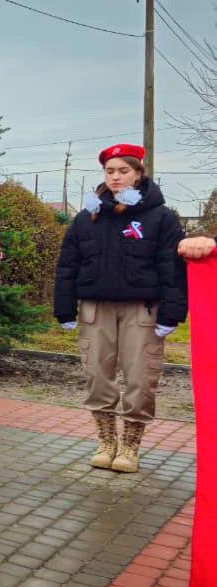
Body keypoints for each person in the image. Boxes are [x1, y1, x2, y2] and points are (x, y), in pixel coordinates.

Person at [54, 143, 186, 473]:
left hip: (141, 310)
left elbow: (171, 268)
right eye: (109, 171)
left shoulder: (159, 217)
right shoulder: (88, 218)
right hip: (95, 309)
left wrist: (171, 313)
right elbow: (68, 264)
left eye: (123, 170)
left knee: (141, 379)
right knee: (98, 376)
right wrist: (65, 308)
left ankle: (129, 445)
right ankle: (106, 441)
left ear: (139, 173)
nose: (115, 177)